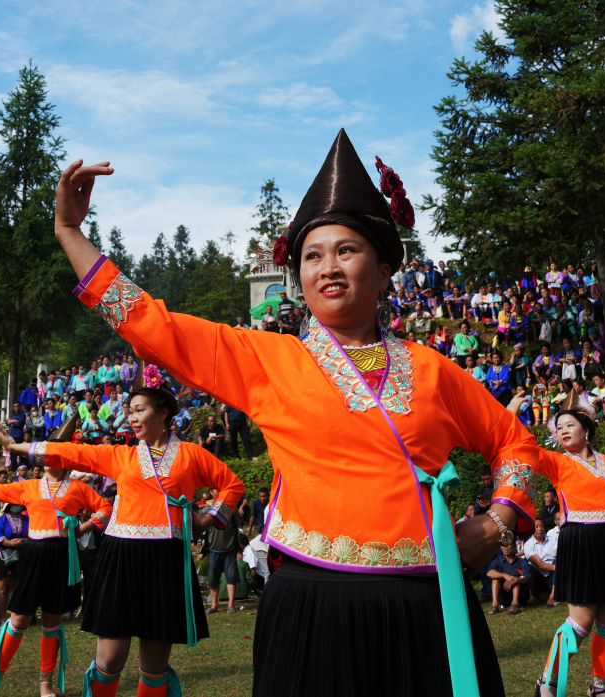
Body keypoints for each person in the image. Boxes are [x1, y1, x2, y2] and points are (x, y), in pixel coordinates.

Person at [58, 132, 542, 697]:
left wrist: (499, 518)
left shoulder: (434, 370)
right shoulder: (269, 358)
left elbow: (517, 444)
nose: (328, 266)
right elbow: (151, 324)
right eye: (313, 255)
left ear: (385, 270)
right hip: (310, 604)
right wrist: (71, 233)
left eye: (347, 250)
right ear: (299, 278)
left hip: (426, 600)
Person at [0, 369, 243, 697]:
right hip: (121, 555)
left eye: (140, 410)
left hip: (165, 558)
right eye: (130, 412)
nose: (133, 418)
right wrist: (18, 445)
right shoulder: (121, 455)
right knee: (109, 659)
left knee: (154, 667)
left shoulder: (191, 455)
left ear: (164, 411)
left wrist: (207, 519)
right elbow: (72, 453)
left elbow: (232, 485)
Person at [0, 445, 110, 697]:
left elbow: (105, 509)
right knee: (19, 618)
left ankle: (45, 683)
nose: (45, 459)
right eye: (43, 455)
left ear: (64, 460)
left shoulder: (78, 488)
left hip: (63, 556)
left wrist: (80, 529)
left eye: (52, 455)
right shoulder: (29, 486)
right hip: (34, 555)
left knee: (52, 621)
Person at [510, 395, 605, 697]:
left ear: (587, 429)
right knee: (580, 622)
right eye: (559, 427)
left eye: (570, 424)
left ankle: (598, 687)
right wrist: (512, 414)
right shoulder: (558, 462)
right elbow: (523, 449)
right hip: (580, 542)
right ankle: (548, 681)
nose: (563, 430)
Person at [0, 503, 28, 628]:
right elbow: (0, 539)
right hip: (4, 556)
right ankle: (2, 619)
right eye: (13, 504)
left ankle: (18, 618)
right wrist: (16, 543)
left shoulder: (28, 519)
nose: (16, 505)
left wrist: (21, 542)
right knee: (3, 589)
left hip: (23, 556)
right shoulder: (1, 520)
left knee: (20, 587)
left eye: (18, 503)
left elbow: (33, 536)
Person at [205, 496, 243, 614]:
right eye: (215, 490)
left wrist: (238, 550)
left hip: (229, 548)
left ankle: (231, 605)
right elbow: (203, 528)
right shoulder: (207, 510)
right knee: (213, 579)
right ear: (212, 492)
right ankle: (214, 605)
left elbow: (237, 526)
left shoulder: (232, 508)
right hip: (213, 549)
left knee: (231, 577)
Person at [485, 541, 532, 614]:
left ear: (514, 546)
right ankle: (494, 605)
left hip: (521, 597)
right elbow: (489, 573)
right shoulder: (497, 560)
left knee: (515, 577)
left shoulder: (521, 561)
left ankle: (515, 604)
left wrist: (516, 579)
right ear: (501, 547)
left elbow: (528, 577)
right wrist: (504, 575)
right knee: (495, 579)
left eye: (508, 544)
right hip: (504, 596)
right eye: (503, 545)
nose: (505, 547)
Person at [523, 519, 558, 606]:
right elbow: (539, 564)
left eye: (542, 526)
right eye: (536, 526)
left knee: (559, 563)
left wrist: (558, 567)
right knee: (529, 568)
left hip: (554, 574)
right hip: (540, 575)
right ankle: (537, 595)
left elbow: (559, 554)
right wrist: (557, 567)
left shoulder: (553, 540)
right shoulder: (528, 545)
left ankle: (553, 595)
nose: (539, 529)